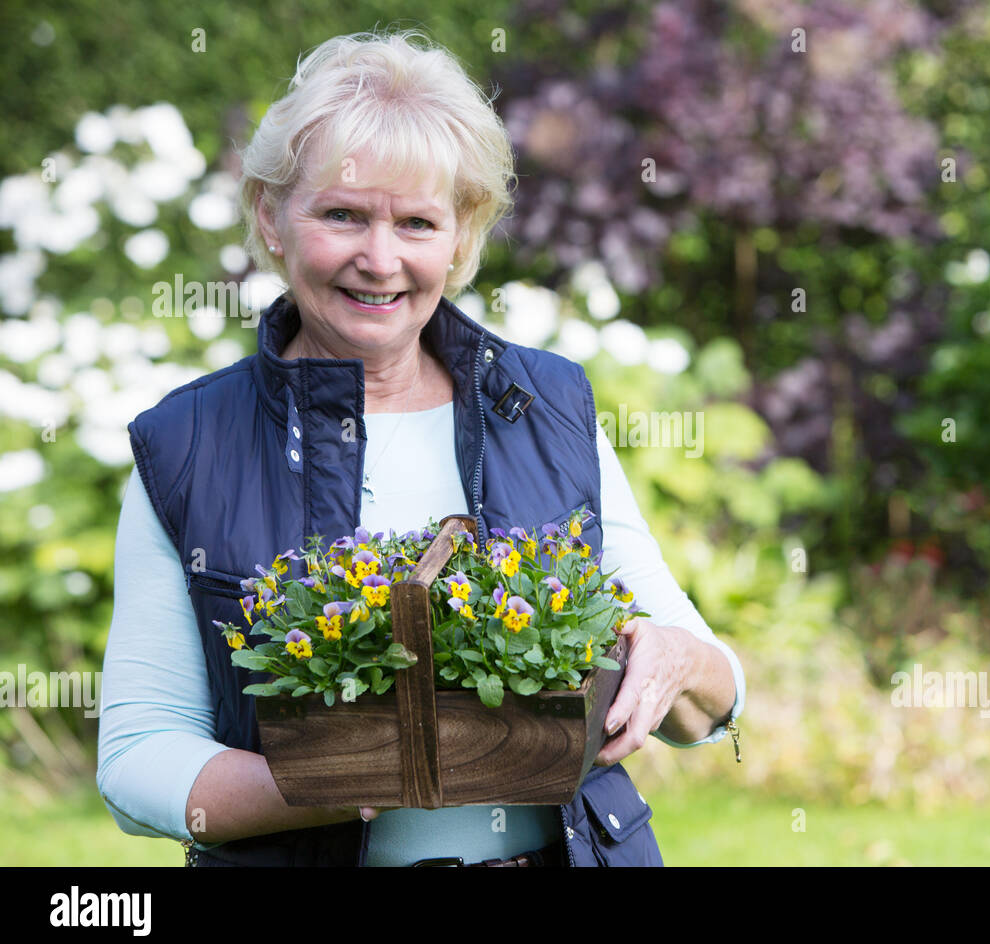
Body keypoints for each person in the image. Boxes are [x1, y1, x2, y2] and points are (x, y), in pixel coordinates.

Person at [96, 29, 745, 866]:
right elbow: (139, 754)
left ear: (461, 233)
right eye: (342, 215)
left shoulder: (545, 406)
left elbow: (711, 696)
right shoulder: (187, 445)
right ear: (271, 215)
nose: (381, 259)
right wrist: (343, 779)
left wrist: (679, 660)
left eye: (416, 222)